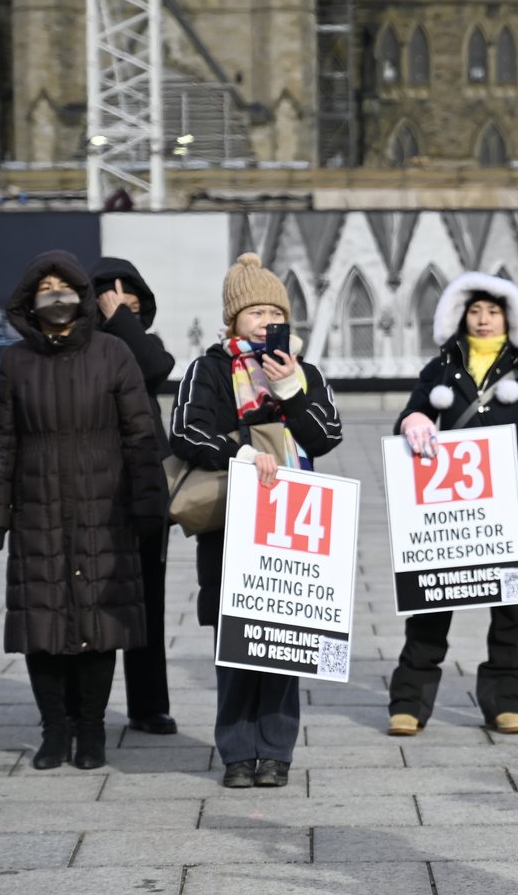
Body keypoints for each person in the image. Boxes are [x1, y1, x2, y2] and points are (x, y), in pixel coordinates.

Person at [0, 252, 167, 771]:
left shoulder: (113, 353)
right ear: (29, 299)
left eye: (65, 285)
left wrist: (149, 504)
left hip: (103, 506)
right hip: (38, 507)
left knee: (98, 623)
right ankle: (54, 731)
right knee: (43, 624)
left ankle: (91, 730)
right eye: (46, 286)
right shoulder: (14, 361)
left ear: (82, 295)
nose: (56, 294)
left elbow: (140, 436)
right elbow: (3, 443)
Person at [171, 253, 343, 787]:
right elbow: (185, 434)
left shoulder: (304, 372)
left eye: (275, 311)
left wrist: (291, 394)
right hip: (231, 529)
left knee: (284, 644)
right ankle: (237, 755)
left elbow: (327, 437)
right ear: (233, 320)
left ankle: (276, 753)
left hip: (293, 527)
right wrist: (241, 452)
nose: (266, 321)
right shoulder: (210, 370)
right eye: (254, 312)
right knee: (237, 646)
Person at [387, 272, 518, 736]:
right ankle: (409, 702)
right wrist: (414, 419)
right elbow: (408, 416)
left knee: (509, 611)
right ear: (461, 316)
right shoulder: (440, 369)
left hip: (506, 510)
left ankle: (506, 701)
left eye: (494, 311)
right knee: (431, 604)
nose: (484, 320)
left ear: (510, 318)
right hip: (445, 510)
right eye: (475, 311)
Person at [90, 257, 178, 734]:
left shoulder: (144, 345)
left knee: (149, 601)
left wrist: (121, 320)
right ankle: (85, 710)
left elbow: (155, 367)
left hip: (144, 492)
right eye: (110, 297)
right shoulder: (82, 351)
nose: (125, 305)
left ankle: (149, 705)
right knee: (93, 601)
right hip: (93, 492)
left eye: (135, 301)